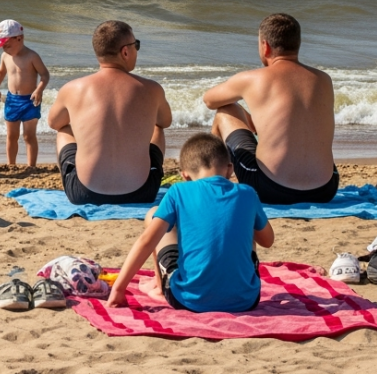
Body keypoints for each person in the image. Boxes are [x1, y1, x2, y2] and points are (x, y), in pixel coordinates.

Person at [108, 133, 275, 313]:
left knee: (153, 215)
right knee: (248, 227)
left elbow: (146, 241)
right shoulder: (247, 193)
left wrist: (118, 289)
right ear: (230, 169)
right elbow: (267, 241)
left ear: (185, 175)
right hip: (246, 300)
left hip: (187, 299)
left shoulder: (179, 191)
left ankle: (158, 287)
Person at [202, 13, 338, 205]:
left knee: (226, 110)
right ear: (297, 44)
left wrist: (243, 106)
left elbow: (209, 100)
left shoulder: (254, 78)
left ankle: (210, 184)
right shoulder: (324, 79)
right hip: (326, 189)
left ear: (265, 46)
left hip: (271, 189)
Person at [46, 20, 171, 205]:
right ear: (125, 51)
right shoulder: (152, 89)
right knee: (157, 128)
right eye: (136, 45)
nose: (137, 50)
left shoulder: (72, 88)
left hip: (83, 193)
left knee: (63, 130)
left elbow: (54, 123)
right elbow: (165, 121)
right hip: (143, 192)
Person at [0, 20, 50, 167]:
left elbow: (45, 75)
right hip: (12, 100)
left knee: (29, 136)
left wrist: (39, 90)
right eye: (2, 46)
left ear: (19, 38)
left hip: (30, 100)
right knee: (12, 136)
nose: (5, 49)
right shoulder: (5, 57)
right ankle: (11, 165)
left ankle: (31, 166)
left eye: (7, 45)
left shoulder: (32, 56)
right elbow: (0, 72)